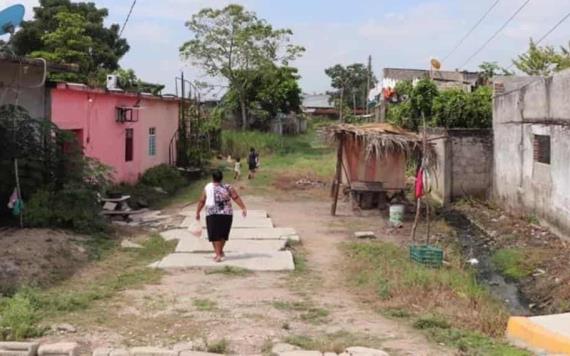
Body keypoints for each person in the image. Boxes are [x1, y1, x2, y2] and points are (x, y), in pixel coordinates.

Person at [196, 170, 247, 262]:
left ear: (212, 178)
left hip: (212, 214)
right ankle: (220, 252)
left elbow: (202, 200)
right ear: (221, 178)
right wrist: (243, 207)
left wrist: (198, 212)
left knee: (214, 235)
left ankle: (218, 255)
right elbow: (236, 197)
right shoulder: (228, 187)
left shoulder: (208, 187)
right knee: (223, 234)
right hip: (226, 214)